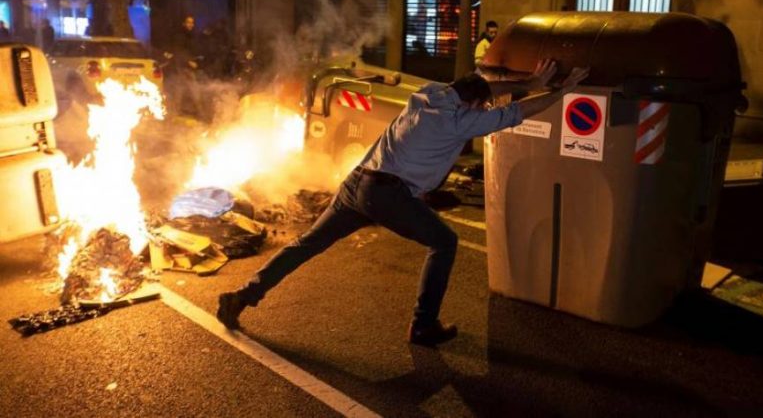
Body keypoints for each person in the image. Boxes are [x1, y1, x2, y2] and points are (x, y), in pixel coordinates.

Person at [217, 59, 590, 346]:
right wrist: (560, 91)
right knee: (444, 242)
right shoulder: (461, 122)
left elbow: (485, 87)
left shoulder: (433, 93)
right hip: (389, 194)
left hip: (357, 183)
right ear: (475, 103)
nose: (483, 108)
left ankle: (244, 295)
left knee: (307, 244)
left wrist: (531, 82)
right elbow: (518, 112)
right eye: (482, 105)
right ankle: (423, 325)